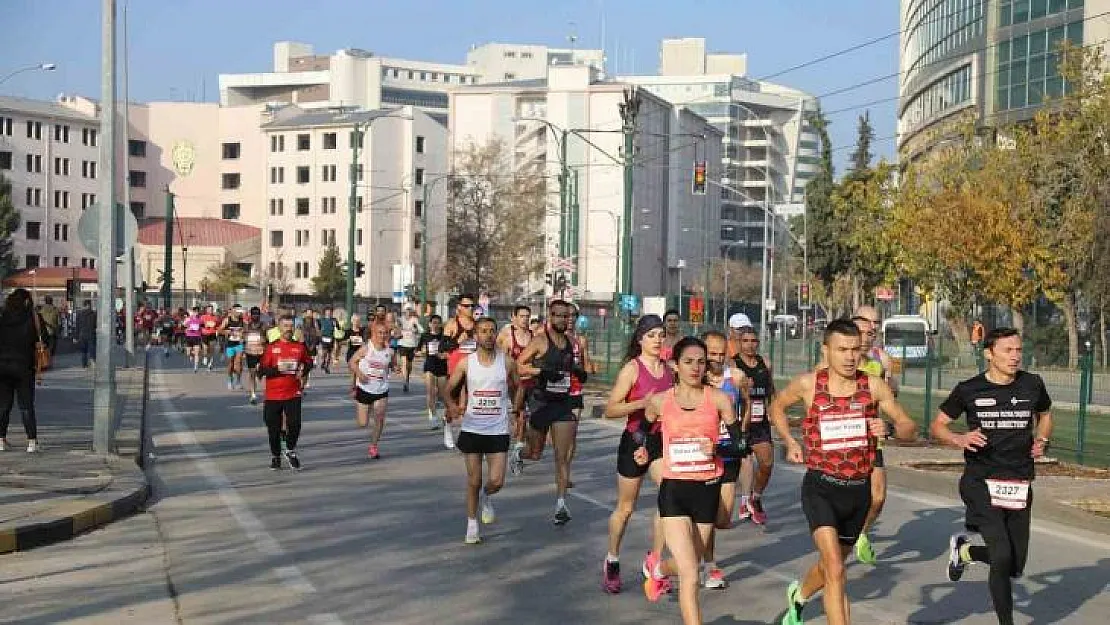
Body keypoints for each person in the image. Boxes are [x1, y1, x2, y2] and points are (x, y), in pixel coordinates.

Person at [769, 319, 917, 625]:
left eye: (854, 349)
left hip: (857, 490)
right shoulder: (810, 384)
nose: (850, 357)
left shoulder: (873, 386)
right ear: (826, 350)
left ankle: (799, 596)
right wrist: (789, 441)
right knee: (836, 569)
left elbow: (909, 427)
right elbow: (777, 407)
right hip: (821, 487)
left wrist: (890, 428)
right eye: (842, 350)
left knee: (830, 567)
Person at [933, 327, 1052, 625]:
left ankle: (966, 551)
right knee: (1000, 556)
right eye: (1007, 351)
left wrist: (1042, 440)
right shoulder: (969, 389)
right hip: (980, 482)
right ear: (988, 353)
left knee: (1014, 565)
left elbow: (1046, 415)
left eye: (1018, 351)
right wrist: (959, 439)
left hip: (1018, 482)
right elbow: (938, 425)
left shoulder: (1032, 384)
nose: (1015, 357)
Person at [639, 337, 750, 624]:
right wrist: (644, 451)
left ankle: (660, 570)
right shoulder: (661, 401)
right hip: (675, 490)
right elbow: (645, 431)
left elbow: (740, 445)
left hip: (707, 490)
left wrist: (717, 449)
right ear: (675, 365)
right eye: (688, 361)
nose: (695, 367)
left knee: (691, 562)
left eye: (701, 362)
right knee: (690, 574)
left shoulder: (719, 399)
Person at [600, 314, 673, 594]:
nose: (657, 340)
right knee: (626, 508)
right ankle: (612, 559)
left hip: (659, 441)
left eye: (660, 334)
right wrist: (643, 402)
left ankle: (654, 561)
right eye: (651, 335)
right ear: (640, 339)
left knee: (669, 498)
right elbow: (610, 409)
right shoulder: (632, 369)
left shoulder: (668, 370)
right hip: (635, 440)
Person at [445, 316, 518, 544]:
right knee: (473, 480)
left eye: (492, 331)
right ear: (475, 336)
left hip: (497, 429)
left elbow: (517, 386)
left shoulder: (506, 362)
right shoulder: (467, 363)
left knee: (497, 481)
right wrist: (452, 406)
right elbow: (448, 389)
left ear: (496, 334)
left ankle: (487, 496)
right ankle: (471, 524)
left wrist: (517, 410)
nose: (488, 335)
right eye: (483, 331)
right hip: (472, 428)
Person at [515, 299, 584, 526]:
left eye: (567, 316)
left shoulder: (572, 342)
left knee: (561, 457)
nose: (564, 320)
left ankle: (561, 505)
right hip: (540, 403)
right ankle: (519, 454)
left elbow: (574, 367)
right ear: (550, 316)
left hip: (562, 405)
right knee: (535, 453)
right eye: (559, 315)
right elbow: (518, 366)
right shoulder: (540, 341)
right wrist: (541, 372)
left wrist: (578, 371)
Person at [700, 330, 750, 589]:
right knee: (707, 514)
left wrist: (741, 431)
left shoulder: (737, 377)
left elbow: (747, 404)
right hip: (702, 456)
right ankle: (709, 565)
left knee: (722, 518)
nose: (717, 360)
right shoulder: (695, 379)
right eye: (712, 354)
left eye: (722, 354)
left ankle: (695, 547)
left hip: (728, 453)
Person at [850, 307, 898, 564]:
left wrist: (889, 386)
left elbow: (893, 394)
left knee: (878, 496)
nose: (870, 332)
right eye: (864, 326)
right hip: (843, 438)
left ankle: (861, 534)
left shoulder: (882, 359)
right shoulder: (835, 358)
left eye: (874, 326)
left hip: (871, 436)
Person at [731, 314, 775, 525]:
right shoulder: (733, 364)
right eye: (745, 341)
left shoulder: (765, 363)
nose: (749, 345)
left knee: (767, 463)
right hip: (740, 420)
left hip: (760, 421)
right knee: (745, 462)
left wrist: (773, 410)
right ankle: (744, 499)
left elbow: (771, 390)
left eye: (753, 341)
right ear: (739, 343)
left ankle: (755, 498)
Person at [257, 315, 312, 470]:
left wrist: (304, 370)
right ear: (279, 329)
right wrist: (277, 369)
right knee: (272, 428)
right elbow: (261, 371)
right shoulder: (271, 348)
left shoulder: (299, 347)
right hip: (273, 395)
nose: (288, 329)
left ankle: (289, 449)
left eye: (290, 326)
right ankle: (276, 456)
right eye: (285, 326)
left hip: (292, 393)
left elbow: (308, 362)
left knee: (295, 425)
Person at [0, 289, 45, 453]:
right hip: (25, 367)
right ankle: (31, 442)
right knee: (26, 405)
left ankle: (1, 440)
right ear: (27, 302)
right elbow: (44, 339)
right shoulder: (33, 318)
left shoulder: (2, 317)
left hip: (3, 367)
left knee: (3, 405)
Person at [349, 323, 393, 459]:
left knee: (379, 417)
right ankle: (367, 408)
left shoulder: (390, 352)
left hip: (381, 389)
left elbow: (392, 364)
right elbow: (352, 362)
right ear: (374, 333)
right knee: (363, 423)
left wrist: (396, 368)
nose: (382, 335)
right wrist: (359, 373)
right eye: (380, 333)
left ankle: (373, 447)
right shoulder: (366, 349)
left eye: (385, 333)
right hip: (364, 388)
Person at [499, 305, 532, 474]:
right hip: (514, 383)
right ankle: (515, 450)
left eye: (527, 316)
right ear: (514, 318)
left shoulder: (534, 337)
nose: (525, 320)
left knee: (526, 418)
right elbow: (501, 360)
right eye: (522, 316)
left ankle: (518, 450)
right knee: (520, 415)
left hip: (531, 382)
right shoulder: (508, 338)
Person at [443, 294, 479, 450]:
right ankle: (448, 426)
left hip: (474, 368)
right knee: (455, 405)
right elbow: (442, 347)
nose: (470, 308)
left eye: (472, 306)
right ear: (459, 307)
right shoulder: (452, 324)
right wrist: (457, 341)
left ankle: (469, 435)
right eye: (466, 306)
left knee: (469, 404)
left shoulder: (477, 325)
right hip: (456, 368)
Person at [419, 315, 449, 430]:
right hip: (429, 366)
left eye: (438, 323)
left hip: (442, 367)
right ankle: (433, 417)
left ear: (441, 324)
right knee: (430, 392)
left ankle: (442, 411)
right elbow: (418, 350)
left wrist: (444, 355)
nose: (435, 325)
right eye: (433, 323)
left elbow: (449, 351)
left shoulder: (444, 336)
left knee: (442, 393)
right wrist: (421, 352)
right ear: (430, 324)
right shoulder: (425, 336)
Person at [243, 307, 268, 405]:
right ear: (251, 315)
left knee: (261, 373)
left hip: (262, 352)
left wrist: (264, 339)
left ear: (260, 315)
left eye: (257, 314)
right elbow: (243, 337)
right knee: (252, 373)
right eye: (253, 314)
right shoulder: (247, 326)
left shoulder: (264, 326)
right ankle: (253, 394)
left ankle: (265, 392)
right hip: (250, 352)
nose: (255, 316)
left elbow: (268, 338)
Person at [220, 306, 247, 390]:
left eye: (240, 310)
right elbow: (220, 330)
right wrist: (226, 332)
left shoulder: (243, 321)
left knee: (238, 363)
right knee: (230, 364)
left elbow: (247, 331)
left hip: (239, 344)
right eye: (237, 310)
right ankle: (230, 380)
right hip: (230, 344)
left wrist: (243, 334)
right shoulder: (227, 320)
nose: (239, 312)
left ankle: (238, 381)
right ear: (232, 311)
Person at [397, 307, 422, 392]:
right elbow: (396, 330)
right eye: (406, 312)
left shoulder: (414, 320)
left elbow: (421, 330)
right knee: (404, 363)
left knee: (409, 365)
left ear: (411, 313)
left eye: (409, 312)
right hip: (402, 344)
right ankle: (405, 382)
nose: (408, 314)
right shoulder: (400, 320)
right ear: (404, 313)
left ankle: (407, 378)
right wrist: (399, 330)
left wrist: (416, 329)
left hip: (412, 344)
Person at [75, 300, 97, 368]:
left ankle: (84, 364)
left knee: (83, 350)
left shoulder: (79, 314)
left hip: (82, 334)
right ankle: (93, 363)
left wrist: (76, 337)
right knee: (92, 349)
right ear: (88, 305)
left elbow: (77, 326)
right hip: (91, 334)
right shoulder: (93, 314)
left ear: (84, 305)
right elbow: (95, 325)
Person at [199, 305, 220, 370]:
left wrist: (217, 330)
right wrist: (205, 325)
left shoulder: (216, 318)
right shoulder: (203, 317)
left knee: (211, 349)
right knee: (205, 348)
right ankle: (205, 357)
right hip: (205, 334)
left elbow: (218, 326)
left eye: (212, 309)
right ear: (206, 310)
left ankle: (210, 363)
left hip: (212, 334)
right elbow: (200, 325)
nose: (210, 311)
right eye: (209, 309)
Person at [184, 307, 204, 372]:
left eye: (197, 312)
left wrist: (202, 330)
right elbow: (184, 325)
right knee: (188, 353)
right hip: (189, 336)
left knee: (197, 353)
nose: (196, 313)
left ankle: (196, 367)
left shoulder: (200, 319)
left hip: (197, 337)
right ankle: (191, 355)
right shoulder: (188, 319)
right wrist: (188, 327)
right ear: (192, 312)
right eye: (194, 312)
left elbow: (203, 327)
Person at [317, 307, 336, 374]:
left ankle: (327, 367)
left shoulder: (334, 320)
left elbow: (338, 328)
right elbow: (319, 328)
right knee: (325, 352)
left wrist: (335, 325)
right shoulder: (321, 320)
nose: (328, 313)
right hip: (324, 338)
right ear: (325, 312)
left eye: (330, 312)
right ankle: (323, 361)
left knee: (330, 354)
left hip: (331, 338)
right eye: (327, 311)